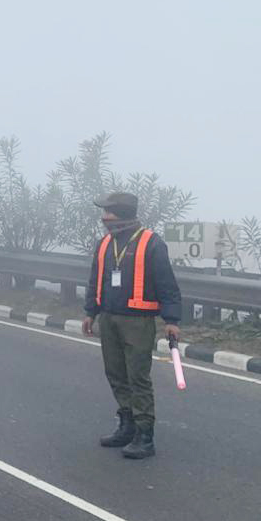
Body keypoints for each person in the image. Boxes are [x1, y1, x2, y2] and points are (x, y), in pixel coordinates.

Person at [82, 192, 182, 460]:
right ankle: (126, 425)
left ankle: (144, 435)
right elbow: (95, 279)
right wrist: (90, 312)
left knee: (137, 377)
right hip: (109, 317)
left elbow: (167, 285)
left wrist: (171, 321)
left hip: (138, 322)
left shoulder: (152, 243)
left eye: (108, 212)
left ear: (122, 213)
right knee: (115, 374)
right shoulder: (104, 244)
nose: (104, 217)